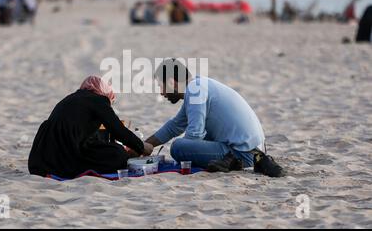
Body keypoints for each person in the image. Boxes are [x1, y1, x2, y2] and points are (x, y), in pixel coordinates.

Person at [144, 59, 286, 178]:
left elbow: (194, 135)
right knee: (187, 143)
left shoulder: (195, 90)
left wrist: (186, 150)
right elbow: (174, 126)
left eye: (161, 87)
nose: (161, 93)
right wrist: (143, 145)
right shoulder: (197, 85)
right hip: (255, 150)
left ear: (171, 82)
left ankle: (232, 162)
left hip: (243, 154)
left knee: (178, 147)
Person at [28, 76, 153, 179]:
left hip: (44, 158)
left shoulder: (72, 99)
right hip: (68, 156)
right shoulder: (99, 100)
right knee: (118, 154)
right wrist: (142, 147)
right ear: (104, 92)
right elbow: (118, 130)